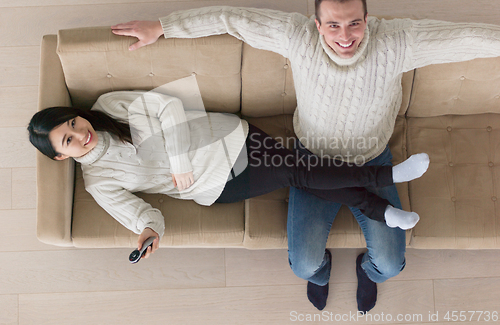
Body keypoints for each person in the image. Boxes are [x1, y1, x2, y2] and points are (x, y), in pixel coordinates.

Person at [110, 0, 500, 312]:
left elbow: (465, 37)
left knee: (391, 266)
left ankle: (366, 270)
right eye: (333, 26)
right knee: (303, 265)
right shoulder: (296, 36)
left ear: (368, 18)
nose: (345, 36)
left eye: (354, 23)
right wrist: (163, 26)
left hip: (372, 159)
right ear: (316, 23)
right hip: (312, 164)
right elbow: (234, 18)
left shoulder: (397, 41)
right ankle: (323, 270)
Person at [29, 90, 429, 258]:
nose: (80, 134)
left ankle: (380, 202)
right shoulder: (99, 182)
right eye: (67, 141)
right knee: (295, 172)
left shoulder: (108, 106)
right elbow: (140, 215)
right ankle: (381, 186)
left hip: (228, 135)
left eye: (72, 123)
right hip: (216, 182)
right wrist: (149, 234)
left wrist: (179, 161)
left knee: (296, 172)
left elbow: (167, 106)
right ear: (62, 158)